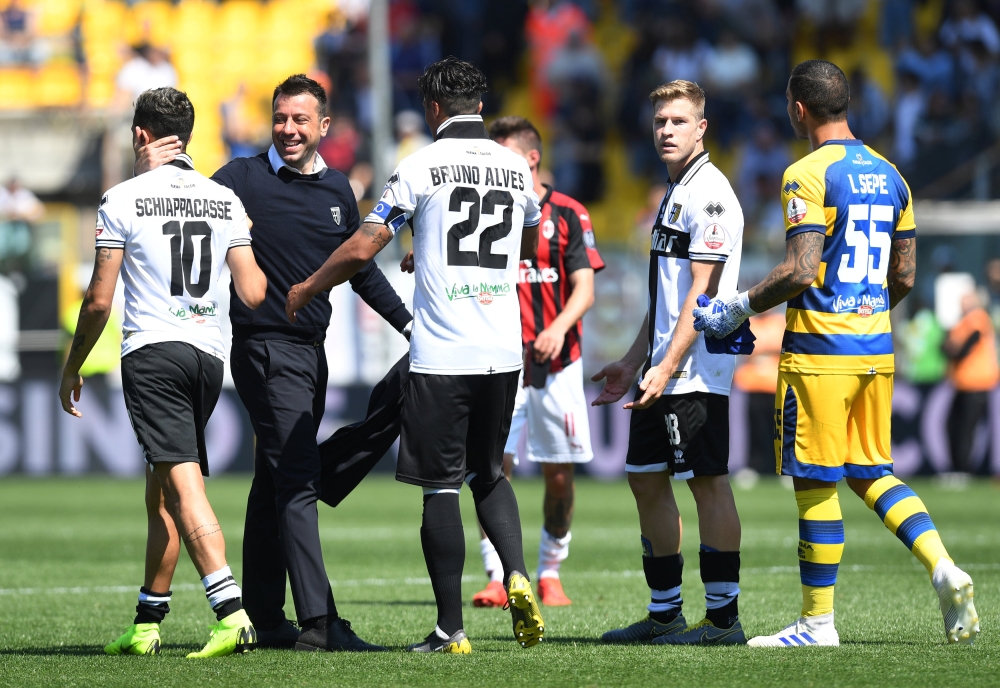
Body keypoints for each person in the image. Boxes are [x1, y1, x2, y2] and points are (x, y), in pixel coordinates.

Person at [693, 59, 979, 647]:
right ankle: (944, 566)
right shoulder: (891, 173)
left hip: (820, 353)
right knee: (874, 472)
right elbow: (903, 273)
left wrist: (738, 307)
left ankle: (817, 623)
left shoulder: (806, 173)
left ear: (798, 109)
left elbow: (800, 269)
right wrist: (866, 313)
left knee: (816, 483)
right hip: (875, 347)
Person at [135, 74, 411, 653]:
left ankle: (264, 613)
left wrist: (410, 325)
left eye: (300, 120)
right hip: (263, 349)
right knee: (297, 479)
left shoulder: (339, 189)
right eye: (280, 118)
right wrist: (153, 173)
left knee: (275, 482)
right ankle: (319, 624)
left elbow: (358, 270)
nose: (288, 129)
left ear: (324, 127)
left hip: (313, 355)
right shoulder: (238, 180)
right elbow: (179, 221)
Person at [285, 57, 545, 654]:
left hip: (442, 352)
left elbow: (365, 244)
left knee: (440, 488)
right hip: (503, 349)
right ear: (480, 105)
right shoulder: (513, 167)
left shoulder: (420, 166)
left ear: (433, 110)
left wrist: (309, 286)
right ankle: (518, 574)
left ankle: (450, 630)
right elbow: (523, 240)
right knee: (492, 472)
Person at [57, 87, 267, 658]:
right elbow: (252, 291)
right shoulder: (223, 199)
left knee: (182, 485)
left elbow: (99, 302)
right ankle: (148, 620)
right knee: (162, 492)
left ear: (140, 136)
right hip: (208, 354)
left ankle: (231, 612)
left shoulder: (122, 197)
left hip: (153, 352)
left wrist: (71, 366)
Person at [592, 80, 747, 646]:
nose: (666, 131)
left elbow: (699, 297)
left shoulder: (709, 195)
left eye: (678, 121)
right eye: (660, 122)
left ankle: (724, 620)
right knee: (644, 479)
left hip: (697, 368)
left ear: (701, 128)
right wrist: (635, 360)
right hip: (661, 367)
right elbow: (663, 296)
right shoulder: (674, 191)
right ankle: (665, 614)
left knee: (707, 483)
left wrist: (668, 364)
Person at [469, 116, 604, 609]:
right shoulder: (487, 209)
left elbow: (585, 289)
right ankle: (498, 574)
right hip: (500, 362)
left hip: (557, 363)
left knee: (560, 474)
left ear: (529, 158)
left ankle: (549, 569)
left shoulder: (568, 213)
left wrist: (556, 327)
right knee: (490, 468)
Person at [943, 290, 999, 473]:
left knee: (966, 428)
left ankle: (962, 470)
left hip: (977, 382)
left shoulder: (977, 317)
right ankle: (957, 469)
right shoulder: (963, 321)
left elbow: (963, 348)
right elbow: (944, 346)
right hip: (963, 383)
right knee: (954, 426)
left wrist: (953, 350)